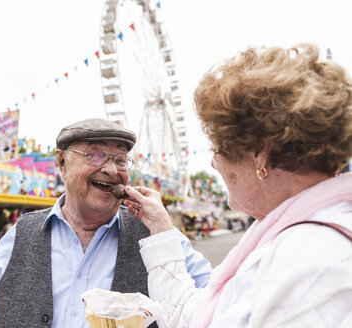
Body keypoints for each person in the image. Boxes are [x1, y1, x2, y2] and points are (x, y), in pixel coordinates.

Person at [122, 43, 352, 327]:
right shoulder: (293, 235)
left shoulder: (309, 263)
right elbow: (197, 317)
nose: (213, 163)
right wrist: (160, 229)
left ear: (259, 154)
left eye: (216, 146)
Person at [0, 118, 212, 328]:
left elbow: (215, 307)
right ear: (62, 163)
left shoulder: (158, 236)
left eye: (120, 160)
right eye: (95, 155)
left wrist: (161, 229)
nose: (110, 169)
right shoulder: (17, 238)